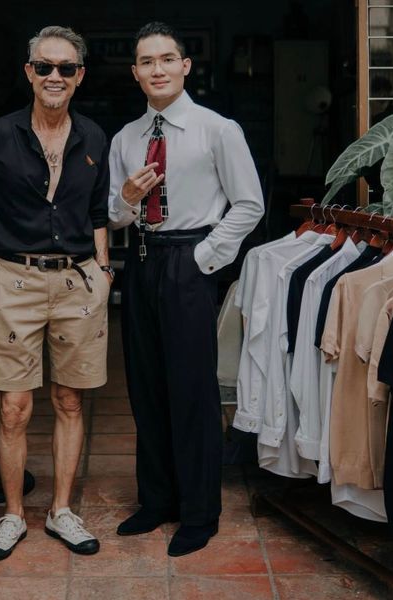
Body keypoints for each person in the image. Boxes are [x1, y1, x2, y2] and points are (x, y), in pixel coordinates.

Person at [108, 22, 264, 557]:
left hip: (189, 260)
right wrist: (127, 199)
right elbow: (112, 215)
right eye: (147, 61)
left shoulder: (217, 130)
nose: (158, 69)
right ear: (135, 72)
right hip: (141, 259)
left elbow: (249, 204)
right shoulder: (126, 138)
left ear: (185, 66)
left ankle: (199, 513)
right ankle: (156, 501)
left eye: (167, 59)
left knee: (192, 391)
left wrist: (203, 258)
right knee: (145, 385)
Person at [0, 25, 111, 560]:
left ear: (79, 76)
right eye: (44, 66)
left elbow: (98, 212)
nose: (54, 76)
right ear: (28, 72)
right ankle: (11, 515)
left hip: (78, 282)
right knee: (13, 408)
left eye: (65, 68)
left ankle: (61, 510)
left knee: (70, 399)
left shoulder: (94, 137)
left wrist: (104, 271)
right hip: (13, 280)